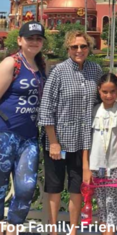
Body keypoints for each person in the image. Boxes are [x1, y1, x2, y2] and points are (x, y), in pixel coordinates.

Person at [38, 30, 103, 235]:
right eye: (74, 46)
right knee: (55, 187)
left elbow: (100, 100)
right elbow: (47, 107)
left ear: (89, 48)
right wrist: (53, 141)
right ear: (68, 49)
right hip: (59, 142)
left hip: (83, 142)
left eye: (83, 46)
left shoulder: (95, 70)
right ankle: (53, 230)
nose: (79, 50)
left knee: (77, 188)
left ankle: (73, 230)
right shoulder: (58, 71)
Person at [0, 21, 46, 234]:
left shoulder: (41, 66)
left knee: (26, 186)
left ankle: (13, 225)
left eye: (38, 38)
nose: (34, 42)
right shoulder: (11, 63)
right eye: (30, 38)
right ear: (20, 40)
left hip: (29, 137)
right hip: (5, 134)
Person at [83, 73, 117, 234]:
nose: (109, 96)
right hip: (96, 164)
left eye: (112, 91)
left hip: (114, 164)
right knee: (100, 201)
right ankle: (104, 230)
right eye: (105, 92)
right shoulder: (94, 110)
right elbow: (86, 141)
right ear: (99, 91)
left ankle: (110, 231)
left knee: (111, 200)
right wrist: (86, 166)